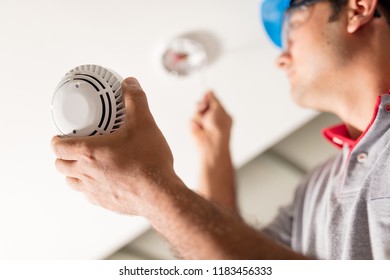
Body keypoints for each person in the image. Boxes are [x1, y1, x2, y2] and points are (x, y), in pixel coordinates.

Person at [51, 0, 390, 259]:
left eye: (292, 28)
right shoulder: (316, 187)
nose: (281, 58)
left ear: (358, 8)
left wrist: (151, 192)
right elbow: (234, 259)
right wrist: (214, 156)